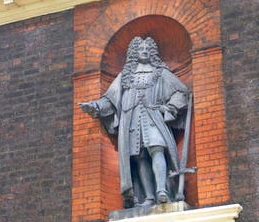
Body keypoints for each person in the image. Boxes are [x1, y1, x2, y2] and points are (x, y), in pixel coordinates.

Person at [80, 36, 189, 208]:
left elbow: (181, 92)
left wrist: (171, 108)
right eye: (140, 49)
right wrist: (96, 106)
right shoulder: (125, 76)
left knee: (157, 148)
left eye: (147, 48)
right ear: (134, 53)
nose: (144, 51)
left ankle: (162, 190)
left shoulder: (160, 72)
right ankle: (149, 197)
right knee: (139, 156)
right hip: (131, 119)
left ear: (152, 51)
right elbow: (110, 99)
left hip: (153, 116)